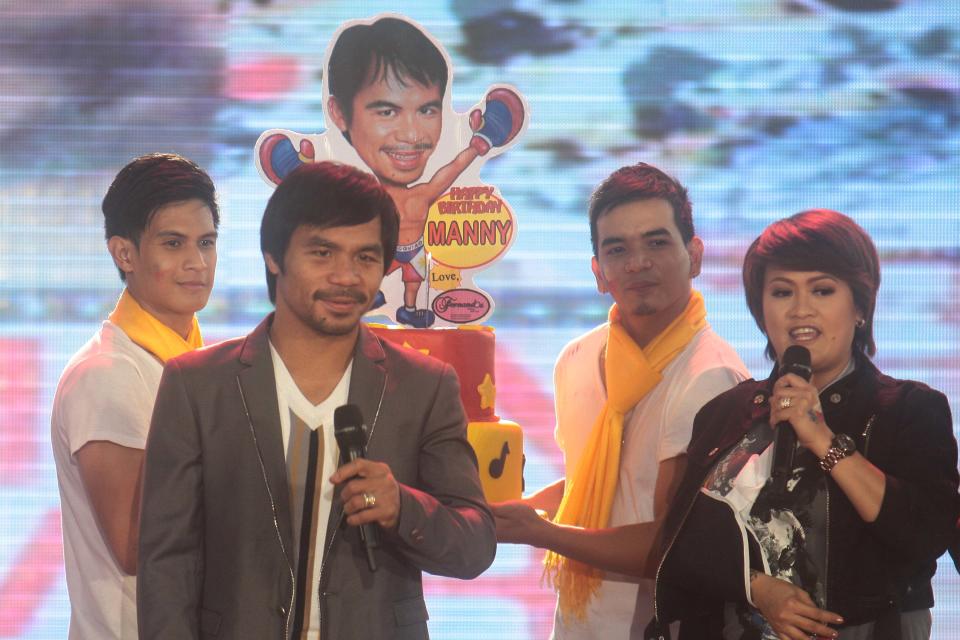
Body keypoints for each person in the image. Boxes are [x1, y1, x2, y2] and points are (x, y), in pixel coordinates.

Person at [136, 161, 496, 640]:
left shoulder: (424, 387)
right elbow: (167, 565)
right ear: (274, 256)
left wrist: (401, 507)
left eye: (366, 258)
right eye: (323, 253)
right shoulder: (198, 385)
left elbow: (475, 544)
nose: (346, 277)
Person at [647, 209, 960, 640]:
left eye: (823, 290)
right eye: (781, 292)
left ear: (860, 308)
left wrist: (823, 439)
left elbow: (924, 536)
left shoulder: (909, 409)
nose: (800, 310)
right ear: (761, 309)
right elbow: (679, 544)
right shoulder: (725, 412)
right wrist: (758, 589)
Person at [492, 163, 749, 638]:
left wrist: (541, 532)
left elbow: (675, 543)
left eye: (657, 242)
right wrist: (519, 509)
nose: (637, 263)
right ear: (598, 271)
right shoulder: (577, 357)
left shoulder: (712, 377)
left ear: (695, 256)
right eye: (617, 249)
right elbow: (601, 480)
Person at [258, 16, 524, 327]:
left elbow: (450, 172)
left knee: (414, 281)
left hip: (415, 259)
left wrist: (481, 143)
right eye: (387, 111)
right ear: (339, 114)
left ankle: (410, 308)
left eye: (427, 110)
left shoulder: (420, 196)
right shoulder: (351, 202)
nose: (411, 135)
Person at [50, 153, 219, 639]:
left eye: (206, 243)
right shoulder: (107, 375)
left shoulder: (192, 363)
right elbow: (134, 544)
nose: (196, 263)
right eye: (173, 244)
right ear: (124, 254)